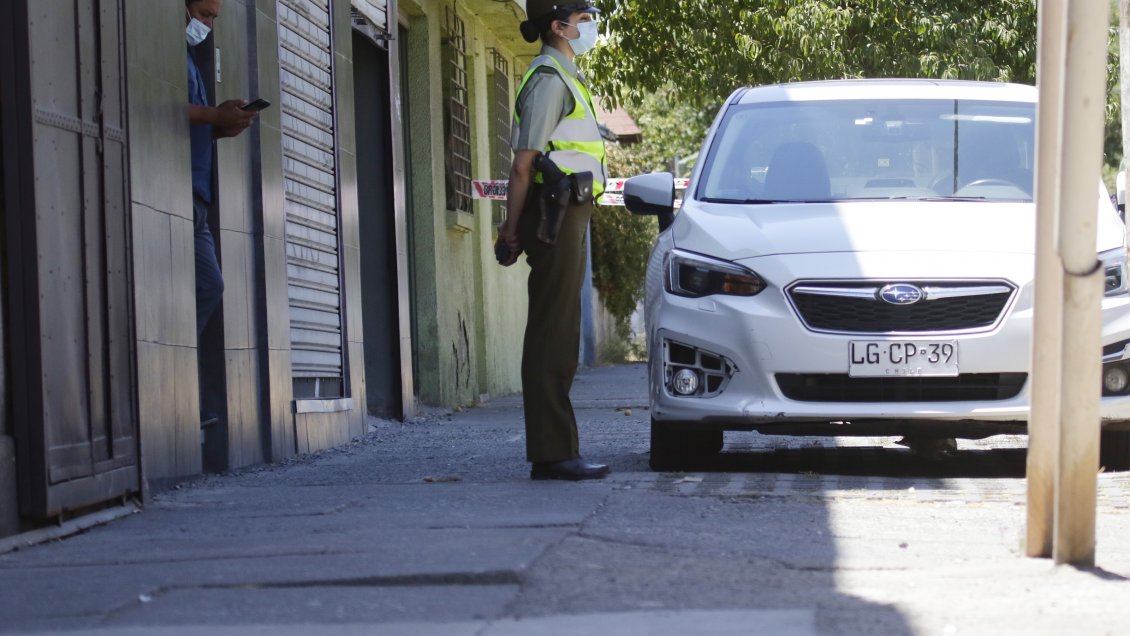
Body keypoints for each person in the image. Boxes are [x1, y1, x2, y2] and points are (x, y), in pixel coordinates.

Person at [497, 0, 609, 481]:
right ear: (559, 27)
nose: (590, 27)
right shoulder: (548, 79)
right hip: (555, 213)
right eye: (583, 20)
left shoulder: (566, 76)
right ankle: (552, 453)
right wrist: (510, 228)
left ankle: (557, 450)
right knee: (552, 333)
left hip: (568, 211)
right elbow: (524, 164)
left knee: (559, 332)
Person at [185, 0, 258, 336]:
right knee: (206, 284)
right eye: (204, 14)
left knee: (211, 285)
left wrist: (221, 126)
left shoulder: (190, 61)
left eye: (213, 18)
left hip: (199, 196)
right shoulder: (171, 57)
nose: (208, 26)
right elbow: (162, 107)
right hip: (183, 192)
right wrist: (215, 115)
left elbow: (190, 125)